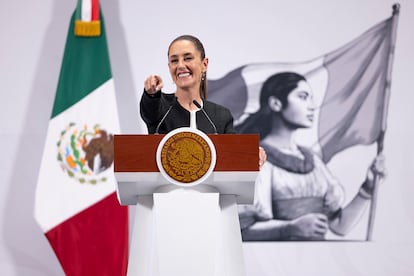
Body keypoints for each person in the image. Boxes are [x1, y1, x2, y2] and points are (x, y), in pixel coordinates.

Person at [237, 72, 385, 241]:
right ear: (276, 103)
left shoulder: (312, 160)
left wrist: (367, 188)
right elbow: (240, 230)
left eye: (311, 98)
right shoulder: (249, 157)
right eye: (303, 97)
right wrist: (289, 228)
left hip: (314, 261)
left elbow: (339, 226)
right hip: (272, 262)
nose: (312, 106)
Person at [140, 34, 266, 167]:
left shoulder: (220, 115)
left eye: (187, 58)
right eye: (174, 61)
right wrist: (151, 93)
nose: (181, 65)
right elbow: (149, 109)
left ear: (204, 64)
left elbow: (235, 154)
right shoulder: (160, 106)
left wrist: (252, 154)